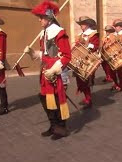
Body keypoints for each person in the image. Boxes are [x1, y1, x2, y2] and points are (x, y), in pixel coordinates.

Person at [24, 0, 71, 139]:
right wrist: (33, 53)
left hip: (57, 72)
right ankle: (53, 125)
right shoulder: (44, 33)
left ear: (49, 17)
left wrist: (54, 69)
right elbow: (45, 53)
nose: (39, 20)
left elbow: (67, 56)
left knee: (57, 100)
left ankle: (61, 128)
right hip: (45, 71)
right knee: (45, 98)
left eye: (41, 17)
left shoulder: (59, 32)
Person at [73, 16, 100, 109]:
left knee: (86, 79)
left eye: (83, 24)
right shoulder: (80, 35)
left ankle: (88, 99)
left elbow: (96, 45)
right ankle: (87, 97)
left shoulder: (93, 34)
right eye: (81, 24)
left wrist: (87, 45)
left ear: (88, 25)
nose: (81, 26)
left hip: (89, 59)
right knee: (80, 79)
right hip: (79, 59)